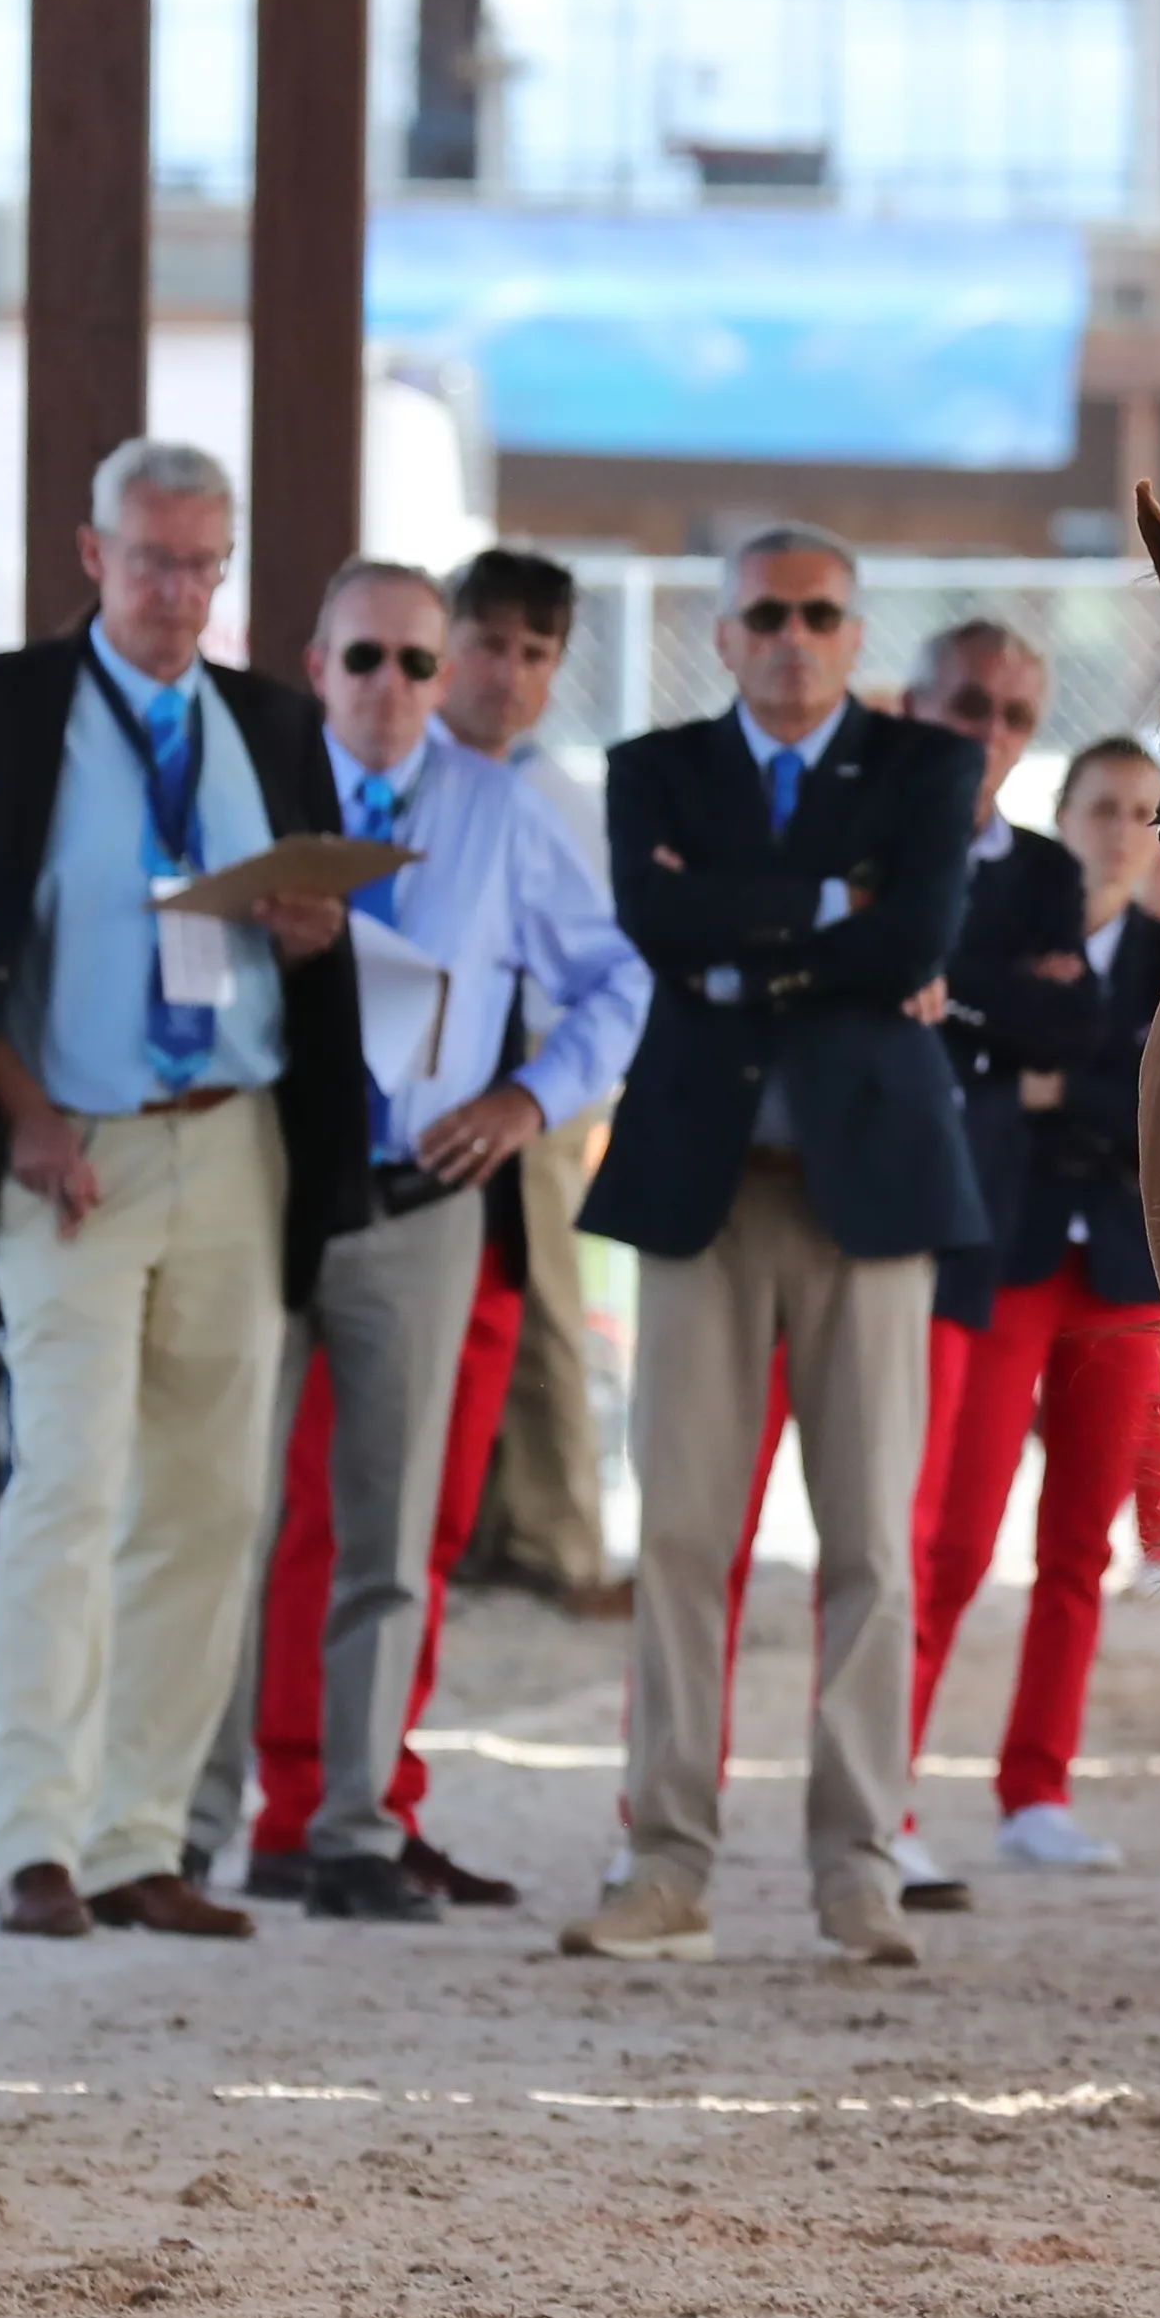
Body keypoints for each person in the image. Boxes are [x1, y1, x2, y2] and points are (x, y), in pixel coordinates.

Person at [0, 437, 366, 1945]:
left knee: (208, 1498)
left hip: (232, 1135)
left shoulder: (270, 723)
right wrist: (14, 1107)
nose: (180, 591)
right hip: (70, 1145)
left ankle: (138, 1836)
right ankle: (26, 1835)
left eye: (205, 565)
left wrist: (310, 933)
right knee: (67, 1486)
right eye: (154, 559)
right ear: (91, 555)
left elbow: (318, 947)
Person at [189, 558, 646, 1920]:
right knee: (228, 1514)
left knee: (391, 1529)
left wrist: (528, 1099)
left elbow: (617, 977)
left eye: (417, 661)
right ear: (314, 660)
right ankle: (191, 1826)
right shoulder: (255, 790)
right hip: (259, 1191)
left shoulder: (498, 812)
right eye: (364, 657)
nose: (392, 685)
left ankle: (346, 1827)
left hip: (419, 1202)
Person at [568, 522, 983, 1967]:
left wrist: (742, 931)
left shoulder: (930, 768)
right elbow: (651, 915)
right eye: (765, 614)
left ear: (856, 634)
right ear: (722, 633)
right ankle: (663, 1857)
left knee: (870, 1539)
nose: (792, 636)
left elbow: (917, 933)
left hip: (867, 1195)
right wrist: (830, 910)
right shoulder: (651, 770)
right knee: (680, 1536)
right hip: (700, 1185)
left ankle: (857, 1862)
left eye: (819, 613)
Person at [912, 729, 1160, 1873]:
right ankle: (886, 1789)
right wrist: (1085, 1081)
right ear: (1060, 819)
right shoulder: (1005, 926)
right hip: (1006, 1257)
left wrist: (1049, 1079)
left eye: (1140, 812)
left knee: (1080, 1543)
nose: (1119, 830)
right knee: (955, 1539)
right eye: (1099, 806)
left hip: (1119, 1274)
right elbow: (968, 1069)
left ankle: (1036, 1790)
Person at [446, 548, 635, 1621]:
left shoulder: (553, 790)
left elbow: (600, 963)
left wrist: (551, 1090)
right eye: (487, 646)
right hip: (432, 1088)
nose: (508, 675)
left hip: (537, 1086)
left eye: (534, 654)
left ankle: (559, 1536)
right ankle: (476, 1522)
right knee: (455, 1313)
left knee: (549, 1303)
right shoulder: (415, 773)